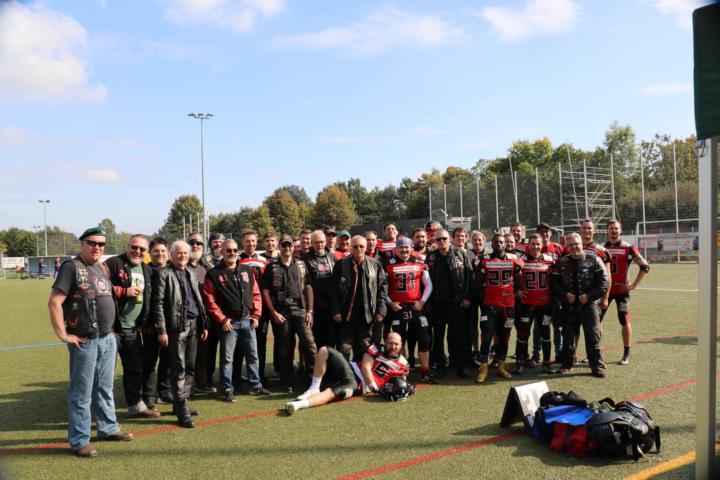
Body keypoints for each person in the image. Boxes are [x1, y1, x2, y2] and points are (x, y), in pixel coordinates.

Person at [48, 226, 133, 458]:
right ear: (82, 244)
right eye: (92, 243)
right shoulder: (70, 267)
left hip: (107, 337)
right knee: (81, 393)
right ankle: (79, 440)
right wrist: (64, 335)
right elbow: (54, 302)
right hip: (85, 340)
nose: (97, 247)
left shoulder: (99, 267)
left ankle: (108, 428)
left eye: (101, 244)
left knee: (105, 387)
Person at [151, 240, 209, 428]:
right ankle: (182, 411)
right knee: (179, 369)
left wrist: (203, 324)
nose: (183, 256)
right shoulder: (163, 273)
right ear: (172, 255)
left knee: (190, 367)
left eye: (185, 253)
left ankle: (181, 404)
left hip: (194, 325)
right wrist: (162, 330)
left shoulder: (191, 272)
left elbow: (198, 300)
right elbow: (158, 303)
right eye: (179, 253)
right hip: (176, 328)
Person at [203, 239, 270, 401]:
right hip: (229, 323)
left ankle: (256, 385)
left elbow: (256, 294)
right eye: (228, 251)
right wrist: (222, 319)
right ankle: (226, 388)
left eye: (234, 250)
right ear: (222, 252)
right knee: (227, 358)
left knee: (253, 355)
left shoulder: (246, 270)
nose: (232, 253)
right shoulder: (213, 273)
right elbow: (209, 300)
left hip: (248, 320)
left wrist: (256, 315)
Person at [104, 234, 159, 418]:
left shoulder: (147, 269)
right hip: (111, 329)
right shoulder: (113, 263)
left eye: (142, 249)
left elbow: (150, 299)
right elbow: (98, 286)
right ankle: (103, 411)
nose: (137, 251)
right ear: (128, 246)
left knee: (135, 368)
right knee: (106, 373)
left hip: (133, 330)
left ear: (147, 252)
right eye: (134, 247)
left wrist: (147, 322)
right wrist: (123, 291)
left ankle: (136, 406)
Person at [285, 332, 409, 414]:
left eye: (396, 344)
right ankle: (314, 388)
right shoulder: (376, 348)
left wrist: (403, 391)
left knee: (332, 392)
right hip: (351, 369)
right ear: (385, 342)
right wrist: (375, 388)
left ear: (401, 345)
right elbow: (365, 367)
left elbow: (402, 384)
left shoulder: (403, 365)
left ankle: (298, 405)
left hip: (357, 385)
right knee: (325, 350)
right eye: (391, 343)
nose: (393, 346)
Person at [262, 235, 317, 393]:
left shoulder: (301, 264)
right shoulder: (271, 266)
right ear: (279, 247)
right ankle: (287, 382)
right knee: (285, 347)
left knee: (309, 344)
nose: (287, 248)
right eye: (284, 245)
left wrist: (310, 310)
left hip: (301, 309)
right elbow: (265, 291)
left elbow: (308, 287)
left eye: (289, 245)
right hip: (282, 312)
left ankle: (314, 378)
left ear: (293, 247)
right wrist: (274, 313)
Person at [552, 233, 609, 378]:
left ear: (582, 244)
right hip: (569, 306)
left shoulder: (594, 259)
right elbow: (553, 284)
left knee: (593, 336)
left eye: (576, 244)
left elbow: (604, 282)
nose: (574, 247)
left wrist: (589, 296)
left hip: (589, 305)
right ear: (567, 247)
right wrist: (565, 295)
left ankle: (597, 366)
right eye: (570, 245)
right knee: (568, 336)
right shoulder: (561, 262)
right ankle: (567, 364)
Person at [385, 237, 436, 383]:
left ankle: (425, 371)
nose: (404, 250)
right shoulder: (388, 264)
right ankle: (402, 370)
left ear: (411, 248)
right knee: (398, 340)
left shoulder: (419, 262)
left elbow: (429, 285)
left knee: (424, 338)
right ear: (396, 249)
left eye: (406, 247)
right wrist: (390, 303)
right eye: (401, 247)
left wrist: (422, 302)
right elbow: (382, 288)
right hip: (398, 307)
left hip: (415, 306)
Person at [330, 235, 388, 362]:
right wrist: (335, 311)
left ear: (366, 247)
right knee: (344, 347)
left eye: (361, 246)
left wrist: (381, 310)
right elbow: (333, 289)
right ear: (350, 248)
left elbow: (382, 289)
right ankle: (345, 373)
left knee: (363, 347)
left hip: (367, 314)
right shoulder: (341, 264)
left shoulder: (375, 264)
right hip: (346, 314)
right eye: (355, 247)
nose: (359, 249)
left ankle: (360, 372)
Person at [425, 229, 474, 378]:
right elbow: (425, 281)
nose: (442, 241)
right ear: (435, 241)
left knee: (459, 336)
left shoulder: (461, 254)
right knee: (438, 337)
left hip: (457, 303)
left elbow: (469, 277)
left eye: (444, 238)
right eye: (438, 239)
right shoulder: (431, 256)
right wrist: (428, 301)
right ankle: (440, 367)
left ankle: (461, 366)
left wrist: (467, 297)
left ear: (450, 239)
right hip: (437, 304)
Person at [475, 234, 522, 383]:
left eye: (502, 242)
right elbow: (478, 281)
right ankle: (483, 366)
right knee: (486, 335)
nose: (500, 244)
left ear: (505, 244)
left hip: (508, 305)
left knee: (505, 336)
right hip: (490, 304)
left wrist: (514, 292)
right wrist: (484, 296)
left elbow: (519, 277)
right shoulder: (485, 260)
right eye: (496, 242)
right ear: (492, 244)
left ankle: (501, 365)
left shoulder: (514, 259)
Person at [602, 219, 649, 365]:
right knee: (596, 321)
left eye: (616, 228)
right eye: (611, 228)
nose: (613, 231)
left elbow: (645, 266)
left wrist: (633, 285)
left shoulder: (628, 248)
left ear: (620, 230)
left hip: (622, 291)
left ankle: (626, 353)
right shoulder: (601, 248)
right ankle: (596, 351)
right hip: (604, 291)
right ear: (607, 230)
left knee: (624, 320)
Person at [516, 234, 555, 374]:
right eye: (532, 244)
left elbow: (556, 279)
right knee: (523, 333)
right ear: (528, 245)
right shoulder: (521, 260)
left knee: (546, 333)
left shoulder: (550, 260)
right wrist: (517, 289)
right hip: (527, 304)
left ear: (542, 245)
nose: (535, 247)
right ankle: (520, 362)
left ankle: (546, 363)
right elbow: (510, 276)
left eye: (538, 244)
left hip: (544, 304)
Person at [142, 237, 173, 408]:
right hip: (151, 327)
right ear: (150, 253)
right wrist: (147, 323)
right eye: (156, 251)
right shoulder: (145, 271)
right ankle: (149, 396)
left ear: (167, 253)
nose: (160, 254)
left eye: (162, 251)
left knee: (167, 361)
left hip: (171, 325)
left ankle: (165, 392)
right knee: (149, 362)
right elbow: (145, 301)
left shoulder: (173, 270)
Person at [187, 233, 218, 395]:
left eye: (198, 243)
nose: (195, 246)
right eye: (192, 242)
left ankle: (203, 382)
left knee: (205, 352)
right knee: (187, 355)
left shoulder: (206, 266)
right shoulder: (181, 266)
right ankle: (187, 386)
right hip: (187, 318)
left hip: (205, 317)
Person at [303, 230, 338, 349]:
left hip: (330, 307)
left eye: (322, 242)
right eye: (316, 242)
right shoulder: (305, 258)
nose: (320, 245)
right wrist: (309, 309)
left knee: (330, 340)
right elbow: (306, 284)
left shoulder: (332, 257)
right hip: (314, 307)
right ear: (311, 243)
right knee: (312, 342)